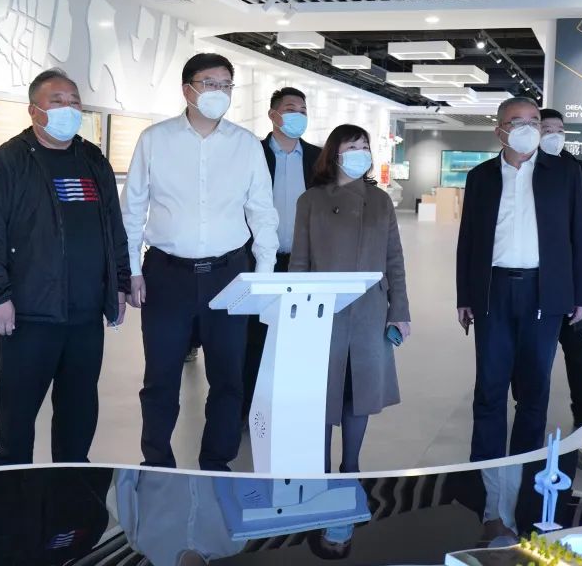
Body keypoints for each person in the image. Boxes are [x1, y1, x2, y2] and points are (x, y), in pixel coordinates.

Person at [122, 52, 279, 471]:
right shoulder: (154, 140)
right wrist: (131, 270)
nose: (219, 92)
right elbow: (132, 209)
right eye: (210, 83)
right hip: (166, 274)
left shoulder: (246, 144)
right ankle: (157, 461)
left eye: (226, 85)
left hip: (229, 274)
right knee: (160, 377)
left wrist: (263, 275)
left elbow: (262, 211)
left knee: (228, 378)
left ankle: (217, 461)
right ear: (187, 89)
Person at [0, 68, 130, 466]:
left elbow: (113, 227)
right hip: (30, 314)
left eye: (74, 102)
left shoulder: (92, 159)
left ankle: (70, 481)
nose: (68, 109)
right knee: (17, 414)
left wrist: (119, 283)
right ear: (34, 110)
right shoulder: (9, 160)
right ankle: (9, 483)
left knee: (79, 411)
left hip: (85, 315)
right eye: (57, 101)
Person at [455, 96, 582, 542]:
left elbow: (580, 235)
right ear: (499, 129)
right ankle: (488, 501)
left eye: (535, 120)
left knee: (533, 396)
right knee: (489, 394)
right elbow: (468, 240)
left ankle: (524, 496)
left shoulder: (564, 174)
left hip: (543, 292)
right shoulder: (481, 177)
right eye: (518, 121)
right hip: (493, 290)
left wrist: (579, 294)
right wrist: (464, 295)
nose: (529, 128)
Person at [290, 124, 410, 474]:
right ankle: (320, 469)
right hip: (321, 309)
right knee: (322, 392)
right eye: (352, 147)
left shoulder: (380, 201)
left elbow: (394, 260)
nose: (361, 153)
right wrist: (295, 313)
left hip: (369, 310)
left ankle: (351, 466)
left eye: (364, 146)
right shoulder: (310, 201)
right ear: (335, 154)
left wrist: (399, 310)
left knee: (360, 391)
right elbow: (299, 261)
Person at [242, 86, 323, 422]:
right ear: (273, 114)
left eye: (303, 110)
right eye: (291, 109)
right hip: (260, 260)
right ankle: (249, 409)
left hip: (303, 262)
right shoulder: (253, 153)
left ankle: (290, 408)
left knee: (299, 337)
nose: (298, 115)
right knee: (255, 337)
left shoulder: (318, 158)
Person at [539, 108, 582, 428]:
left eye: (559, 130)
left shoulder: (576, 169)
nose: (554, 135)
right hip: (534, 276)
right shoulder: (524, 168)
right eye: (547, 129)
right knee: (532, 348)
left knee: (577, 345)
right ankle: (526, 401)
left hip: (570, 274)